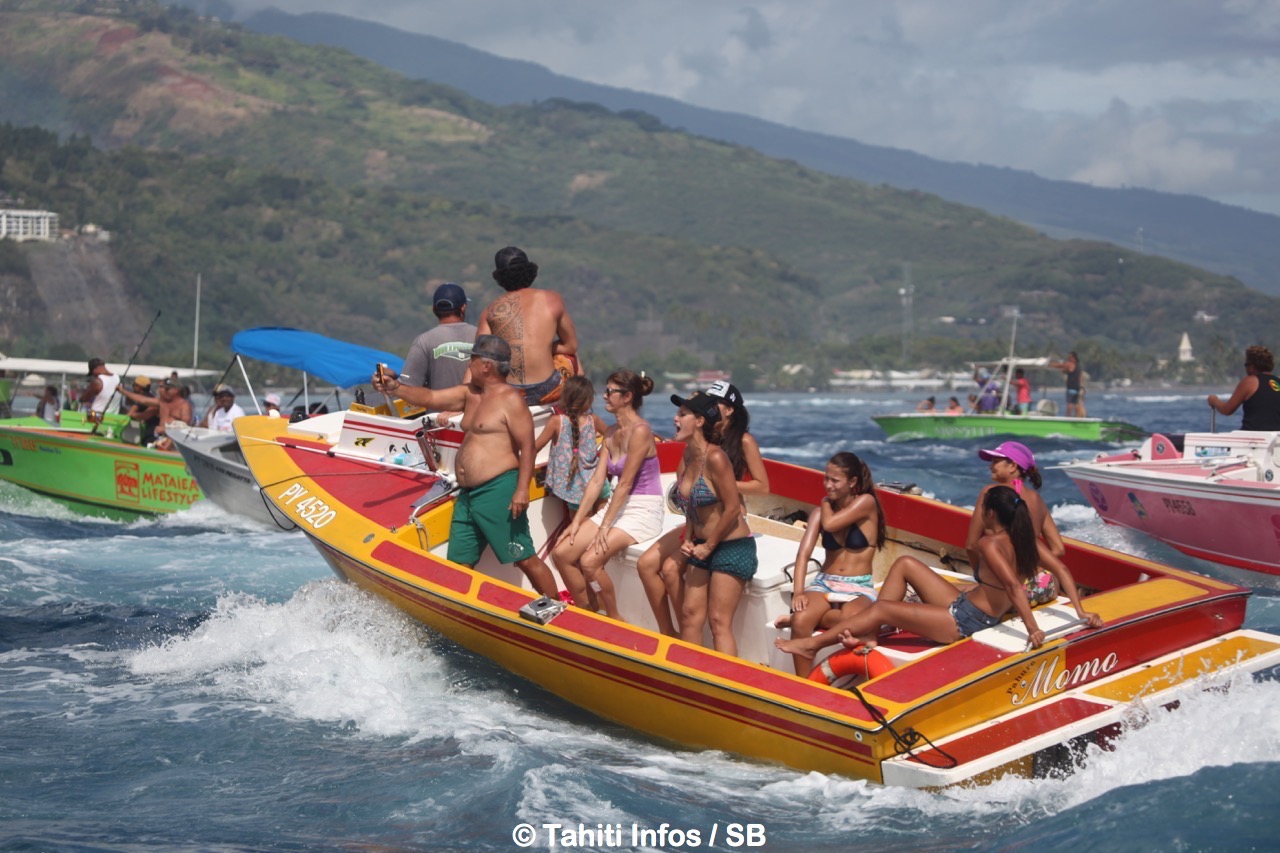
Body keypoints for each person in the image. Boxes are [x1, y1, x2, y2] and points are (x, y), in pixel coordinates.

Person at [778, 486, 1102, 667]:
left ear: (990, 513)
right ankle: (868, 634)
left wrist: (1033, 630)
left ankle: (813, 644)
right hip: (968, 606)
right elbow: (1061, 569)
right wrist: (1081, 611)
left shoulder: (990, 544)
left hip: (963, 621)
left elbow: (1014, 587)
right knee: (906, 563)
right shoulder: (1025, 538)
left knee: (880, 608)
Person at [371, 334, 560, 599]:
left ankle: (557, 610)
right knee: (460, 563)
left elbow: (527, 447)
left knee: (523, 557)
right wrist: (394, 387)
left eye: (471, 360)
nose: (467, 366)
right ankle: (461, 612)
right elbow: (429, 397)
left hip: (499, 490)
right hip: (468, 494)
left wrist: (521, 490)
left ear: (486, 366)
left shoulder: (511, 400)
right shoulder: (470, 395)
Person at [637, 380, 769, 636]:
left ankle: (685, 631)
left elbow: (762, 487)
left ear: (729, 409)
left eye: (716, 401)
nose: (709, 404)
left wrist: (723, 486)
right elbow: (683, 480)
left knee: (671, 569)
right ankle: (677, 631)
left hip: (725, 523)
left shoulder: (741, 442)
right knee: (648, 565)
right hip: (697, 518)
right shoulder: (694, 447)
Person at [552, 369, 664, 617]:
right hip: (618, 504)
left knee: (589, 562)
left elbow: (624, 484)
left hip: (643, 510)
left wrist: (604, 527)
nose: (604, 396)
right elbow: (596, 481)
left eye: (610, 392)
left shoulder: (641, 432)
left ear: (627, 397)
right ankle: (587, 609)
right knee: (562, 554)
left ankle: (613, 618)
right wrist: (578, 520)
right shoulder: (611, 432)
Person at [668, 392, 757, 655]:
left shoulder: (716, 458)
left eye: (682, 414)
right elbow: (690, 505)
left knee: (719, 622)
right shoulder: (687, 455)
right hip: (700, 544)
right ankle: (691, 675)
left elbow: (731, 509)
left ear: (698, 421)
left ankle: (724, 680)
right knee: (689, 615)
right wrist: (688, 539)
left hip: (732, 546)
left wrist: (708, 545)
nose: (675, 418)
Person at [780, 452, 884, 674]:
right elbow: (803, 554)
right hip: (825, 583)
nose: (828, 485)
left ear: (852, 482)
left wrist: (825, 503)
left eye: (835, 480)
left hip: (858, 586)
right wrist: (798, 592)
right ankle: (804, 683)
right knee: (801, 619)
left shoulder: (865, 502)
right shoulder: (819, 513)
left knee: (850, 618)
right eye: (826, 478)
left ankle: (811, 621)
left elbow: (831, 523)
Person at [476, 246, 579, 405]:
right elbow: (571, 346)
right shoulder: (552, 299)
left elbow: (479, 360)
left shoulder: (489, 311)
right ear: (529, 272)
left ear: (499, 277)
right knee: (570, 358)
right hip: (548, 388)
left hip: (509, 391)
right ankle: (579, 410)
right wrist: (543, 348)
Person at [965, 442, 1064, 570]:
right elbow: (1059, 549)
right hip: (1034, 579)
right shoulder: (1037, 499)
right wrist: (1029, 567)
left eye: (996, 461)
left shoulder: (990, 493)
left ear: (1012, 466)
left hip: (1003, 580)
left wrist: (980, 576)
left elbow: (971, 546)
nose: (991, 466)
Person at [534, 375, 609, 514]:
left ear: (565, 398)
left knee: (580, 530)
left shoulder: (556, 422)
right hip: (598, 482)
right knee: (599, 524)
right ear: (590, 399)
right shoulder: (594, 420)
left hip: (574, 489)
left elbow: (534, 448)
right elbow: (613, 437)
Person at [402, 282, 477, 389]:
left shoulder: (424, 341)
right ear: (463, 307)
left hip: (438, 406)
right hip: (478, 405)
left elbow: (408, 386)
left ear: (434, 309)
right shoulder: (482, 336)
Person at [1208, 345, 1280, 431]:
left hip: (1253, 438)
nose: (1246, 369)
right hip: (1275, 438)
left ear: (1252, 366)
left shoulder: (1250, 381)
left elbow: (1227, 410)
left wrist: (1214, 400)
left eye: (1246, 365)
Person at [79, 358, 121, 422]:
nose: (93, 376)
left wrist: (81, 398)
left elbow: (85, 398)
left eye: (92, 373)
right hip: (113, 418)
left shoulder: (98, 381)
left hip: (96, 418)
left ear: (95, 369)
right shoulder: (118, 378)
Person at [123, 375, 161, 445]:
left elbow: (131, 413)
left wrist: (133, 415)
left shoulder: (143, 399)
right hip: (148, 430)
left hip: (150, 432)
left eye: (134, 385)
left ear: (139, 387)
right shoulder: (151, 397)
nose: (133, 387)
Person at [1049, 352, 1085, 417]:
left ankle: (1068, 417)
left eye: (1070, 357)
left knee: (1070, 404)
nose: (1068, 358)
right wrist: (1081, 387)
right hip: (1077, 388)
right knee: (1076, 404)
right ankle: (1076, 417)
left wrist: (1050, 364)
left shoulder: (1070, 364)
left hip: (1071, 388)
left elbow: (1061, 365)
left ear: (1074, 358)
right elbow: (1080, 377)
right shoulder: (1078, 367)